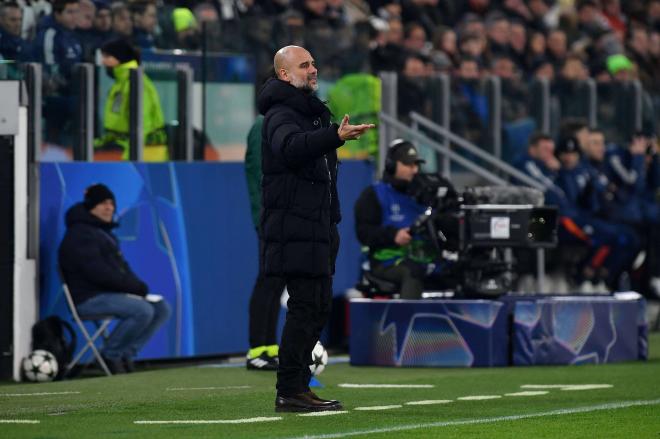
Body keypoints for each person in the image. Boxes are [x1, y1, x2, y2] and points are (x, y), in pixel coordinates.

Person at [257, 45, 374, 412]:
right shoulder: (280, 113)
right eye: (303, 65)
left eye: (313, 63)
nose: (313, 69)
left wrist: (332, 220)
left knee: (317, 307)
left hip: (317, 228)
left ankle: (297, 386)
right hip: (295, 227)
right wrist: (333, 137)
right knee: (305, 307)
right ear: (284, 75)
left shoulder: (309, 113)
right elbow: (291, 150)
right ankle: (290, 390)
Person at [58, 184, 171, 374]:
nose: (109, 207)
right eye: (103, 203)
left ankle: (126, 353)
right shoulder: (80, 234)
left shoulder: (102, 233)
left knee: (161, 308)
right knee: (142, 310)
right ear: (91, 206)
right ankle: (109, 355)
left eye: (111, 203)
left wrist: (137, 287)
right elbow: (97, 273)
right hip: (89, 299)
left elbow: (122, 269)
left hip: (108, 295)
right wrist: (133, 288)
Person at [354, 139, 432, 300]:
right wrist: (393, 235)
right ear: (392, 165)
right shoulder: (373, 195)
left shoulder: (423, 193)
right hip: (386, 262)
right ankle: (406, 323)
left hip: (424, 256)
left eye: (416, 165)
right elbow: (364, 233)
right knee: (413, 272)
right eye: (409, 165)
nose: (415, 170)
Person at [244, 112, 286, 371]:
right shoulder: (264, 126)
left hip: (280, 216)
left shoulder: (274, 122)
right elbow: (263, 178)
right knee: (269, 280)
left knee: (276, 280)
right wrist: (267, 218)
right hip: (271, 218)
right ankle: (257, 349)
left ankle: (268, 347)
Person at [94, 38, 168, 160]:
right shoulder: (122, 82)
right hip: (128, 148)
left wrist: (131, 156)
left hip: (145, 153)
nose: (103, 61)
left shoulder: (136, 82)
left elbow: (143, 124)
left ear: (120, 58)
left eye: (107, 57)